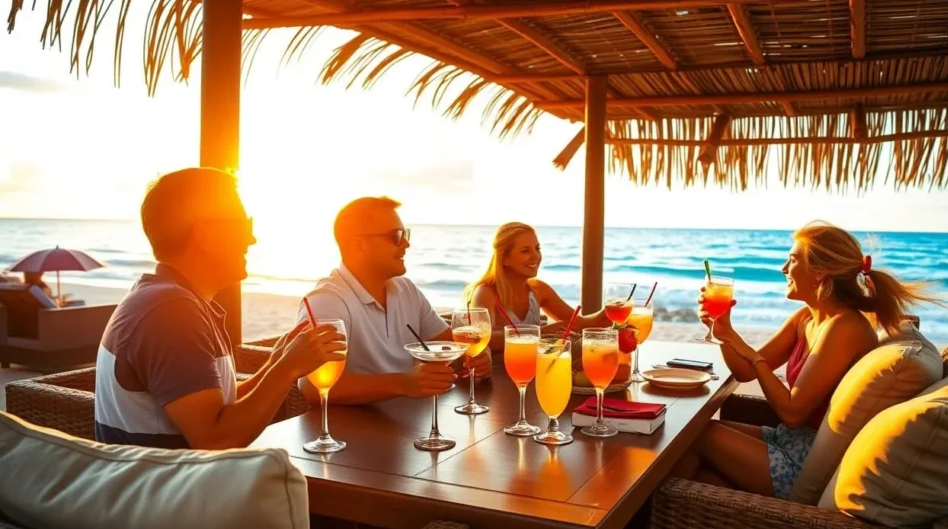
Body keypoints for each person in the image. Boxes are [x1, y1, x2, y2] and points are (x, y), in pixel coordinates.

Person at [673, 221, 936, 500]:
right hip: (788, 440)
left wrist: (752, 355)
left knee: (697, 435)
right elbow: (744, 372)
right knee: (702, 463)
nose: (783, 269)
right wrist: (722, 330)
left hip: (807, 461)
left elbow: (792, 413)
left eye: (792, 260)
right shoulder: (806, 319)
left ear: (820, 272)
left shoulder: (844, 327)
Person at [94, 168, 347, 450]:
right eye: (243, 224)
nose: (252, 240)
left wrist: (276, 362)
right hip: (172, 491)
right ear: (206, 234)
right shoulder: (171, 313)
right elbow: (216, 439)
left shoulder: (170, 300)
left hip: (172, 484)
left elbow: (216, 406)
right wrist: (287, 368)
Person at [297, 196, 492, 406]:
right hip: (351, 430)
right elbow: (311, 387)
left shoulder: (405, 290)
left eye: (405, 234)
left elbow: (452, 347)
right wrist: (403, 384)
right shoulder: (327, 301)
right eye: (396, 236)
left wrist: (478, 357)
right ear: (359, 244)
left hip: (408, 422)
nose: (406, 243)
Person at [467, 222, 610, 350]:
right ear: (505, 258)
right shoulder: (485, 293)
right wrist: (543, 332)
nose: (535, 256)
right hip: (498, 373)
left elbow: (578, 323)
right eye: (525, 251)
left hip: (533, 369)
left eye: (537, 248)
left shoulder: (538, 289)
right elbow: (480, 339)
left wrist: (607, 312)